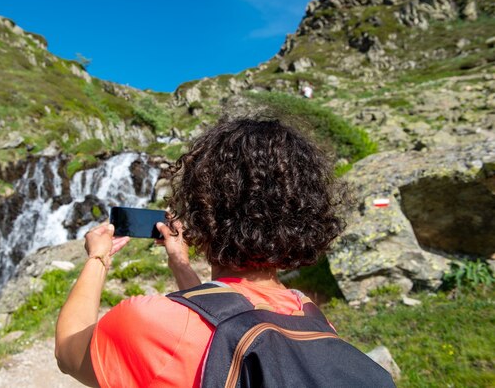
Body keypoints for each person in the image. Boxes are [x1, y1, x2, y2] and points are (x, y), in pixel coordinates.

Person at [55, 117, 345, 387]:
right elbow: (221, 318)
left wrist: (98, 257)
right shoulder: (311, 316)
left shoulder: (150, 324)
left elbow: (68, 350)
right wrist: (180, 263)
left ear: (202, 210)